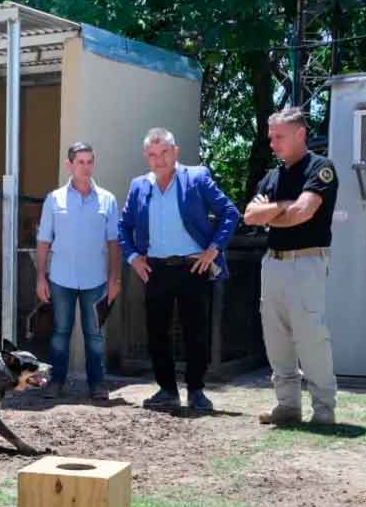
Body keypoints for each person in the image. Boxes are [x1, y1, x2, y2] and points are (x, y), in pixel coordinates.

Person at [118, 128, 239, 411]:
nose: (159, 160)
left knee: (196, 332)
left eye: (164, 153)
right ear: (146, 157)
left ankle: (196, 391)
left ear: (175, 152)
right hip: (155, 269)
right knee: (156, 332)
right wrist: (133, 257)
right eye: (152, 155)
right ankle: (167, 390)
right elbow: (123, 227)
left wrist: (213, 249)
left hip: (192, 267)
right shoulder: (138, 186)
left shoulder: (196, 178)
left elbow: (229, 212)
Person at [243, 106, 339, 425]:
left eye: (279, 137)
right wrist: (284, 207)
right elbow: (249, 216)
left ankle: (323, 408)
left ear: (300, 134)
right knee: (276, 336)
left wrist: (274, 211)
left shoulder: (320, 168)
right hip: (273, 264)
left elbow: (303, 212)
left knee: (311, 336)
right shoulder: (272, 176)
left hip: (307, 261)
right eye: (270, 138)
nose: (272, 144)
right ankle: (288, 405)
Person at [35, 142, 121, 400]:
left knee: (94, 336)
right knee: (60, 333)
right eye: (80, 162)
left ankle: (97, 384)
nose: (86, 167)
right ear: (69, 165)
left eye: (90, 161)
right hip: (61, 278)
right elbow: (43, 240)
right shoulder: (54, 199)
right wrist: (41, 276)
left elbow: (114, 242)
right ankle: (56, 382)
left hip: (96, 280)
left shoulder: (108, 199)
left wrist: (114, 277)